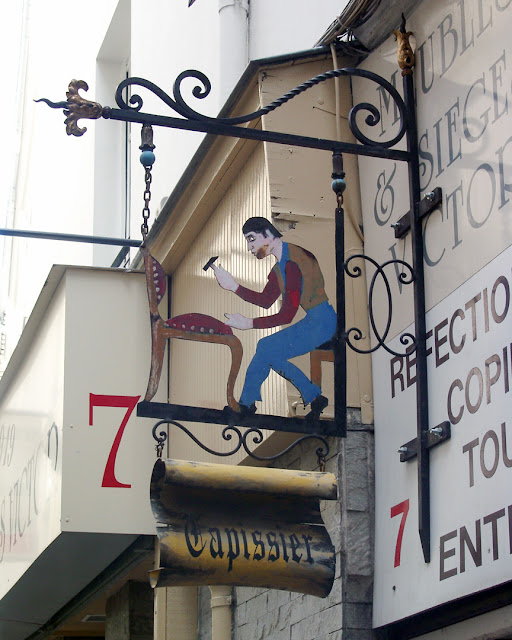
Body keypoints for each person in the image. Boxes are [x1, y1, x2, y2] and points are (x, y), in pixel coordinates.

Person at [212, 216, 336, 418]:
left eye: (252, 239)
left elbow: (287, 314)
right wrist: (232, 286)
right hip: (315, 320)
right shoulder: (282, 265)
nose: (249, 247)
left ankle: (247, 405)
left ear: (267, 234)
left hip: (322, 322)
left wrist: (249, 323)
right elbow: (266, 300)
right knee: (268, 350)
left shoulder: (293, 263)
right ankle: (311, 397)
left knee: (266, 348)